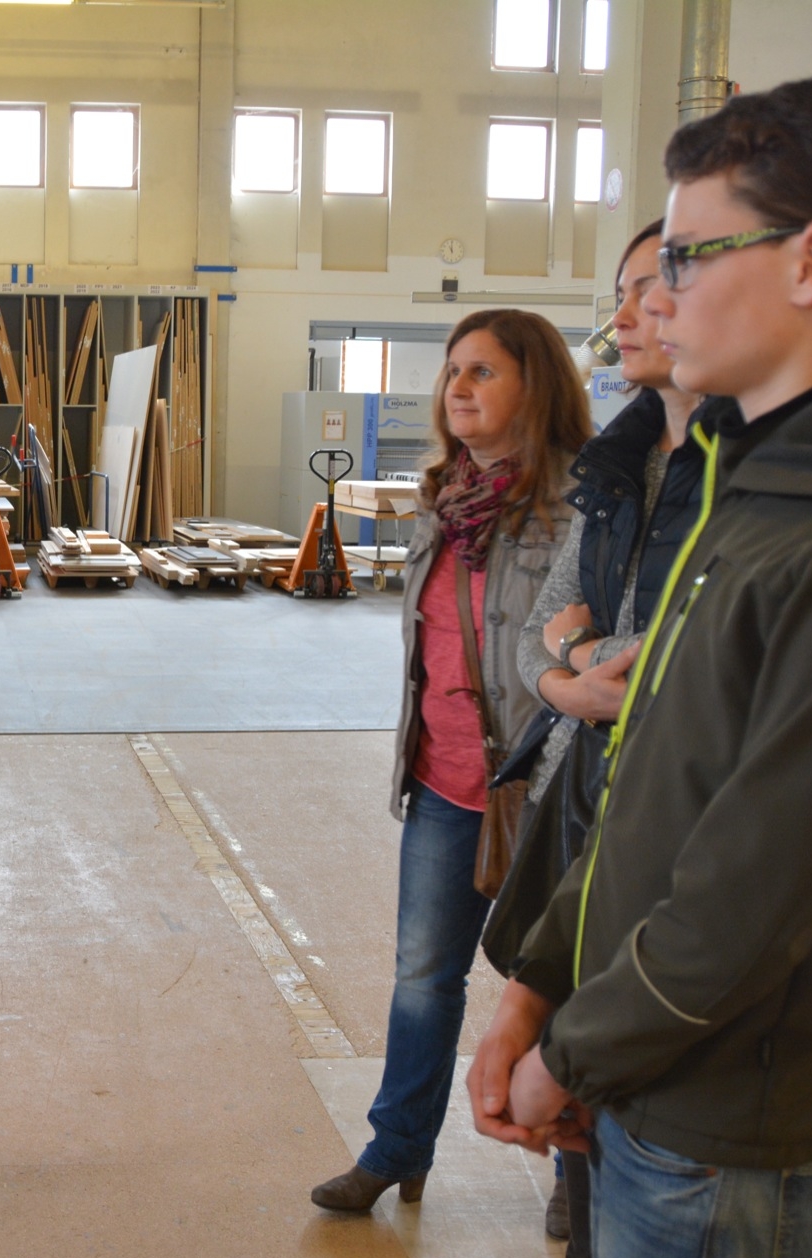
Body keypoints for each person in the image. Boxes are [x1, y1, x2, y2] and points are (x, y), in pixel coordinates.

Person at [467, 72, 812, 1258]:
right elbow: (644, 790)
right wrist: (540, 977)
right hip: (644, 1063)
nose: (655, 297)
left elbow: (748, 890)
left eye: (689, 257)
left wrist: (572, 1050)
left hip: (718, 1104)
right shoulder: (742, 494)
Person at [311, 308, 587, 1212]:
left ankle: (574, 1167)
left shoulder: (580, 507)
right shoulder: (444, 496)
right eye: (452, 371)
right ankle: (398, 1148)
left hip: (543, 790)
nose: (457, 387)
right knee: (423, 979)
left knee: (557, 982)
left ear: (535, 386)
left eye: (482, 371)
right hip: (443, 781)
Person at [506, 219, 706, 1258]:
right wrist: (570, 669)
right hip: (579, 811)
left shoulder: (755, 483)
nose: (623, 316)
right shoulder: (621, 465)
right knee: (595, 1221)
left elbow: (684, 666)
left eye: (650, 287)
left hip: (665, 857)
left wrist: (577, 655)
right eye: (622, 291)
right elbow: (545, 633)